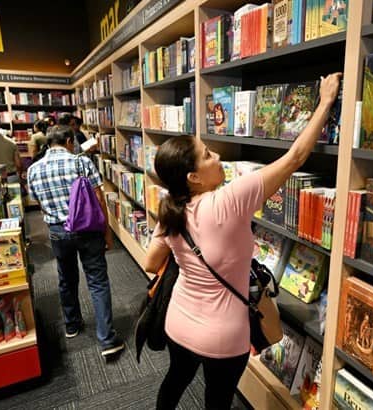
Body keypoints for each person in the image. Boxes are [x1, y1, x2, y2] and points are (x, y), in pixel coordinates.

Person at [143, 73, 341, 410]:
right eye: (207, 155)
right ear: (193, 177)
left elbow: (150, 263)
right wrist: (325, 102)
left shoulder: (171, 207)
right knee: (217, 401)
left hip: (178, 320)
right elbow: (294, 158)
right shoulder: (229, 200)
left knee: (174, 382)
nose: (217, 156)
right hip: (223, 335)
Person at [27, 125, 124, 357]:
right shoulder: (81, 162)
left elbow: (38, 203)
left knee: (66, 278)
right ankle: (108, 340)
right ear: (70, 141)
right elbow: (99, 200)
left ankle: (71, 325)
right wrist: (107, 233)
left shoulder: (33, 169)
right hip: (88, 230)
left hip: (58, 231)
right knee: (98, 281)